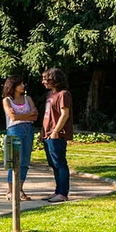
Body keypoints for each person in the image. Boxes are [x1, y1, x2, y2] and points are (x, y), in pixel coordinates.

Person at [2, 76, 37, 200]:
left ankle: (20, 189)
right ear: (13, 86)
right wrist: (27, 115)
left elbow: (35, 116)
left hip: (28, 129)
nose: (23, 86)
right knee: (13, 160)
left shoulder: (28, 99)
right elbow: (13, 117)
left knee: (25, 161)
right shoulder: (7, 100)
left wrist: (21, 115)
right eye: (20, 84)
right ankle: (11, 190)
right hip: (14, 130)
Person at [40, 68, 73, 203]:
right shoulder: (50, 95)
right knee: (53, 164)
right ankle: (57, 191)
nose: (43, 82)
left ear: (54, 80)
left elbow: (65, 114)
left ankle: (63, 193)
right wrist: (43, 132)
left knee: (60, 164)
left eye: (46, 79)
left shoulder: (64, 94)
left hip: (57, 135)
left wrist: (55, 131)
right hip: (47, 134)